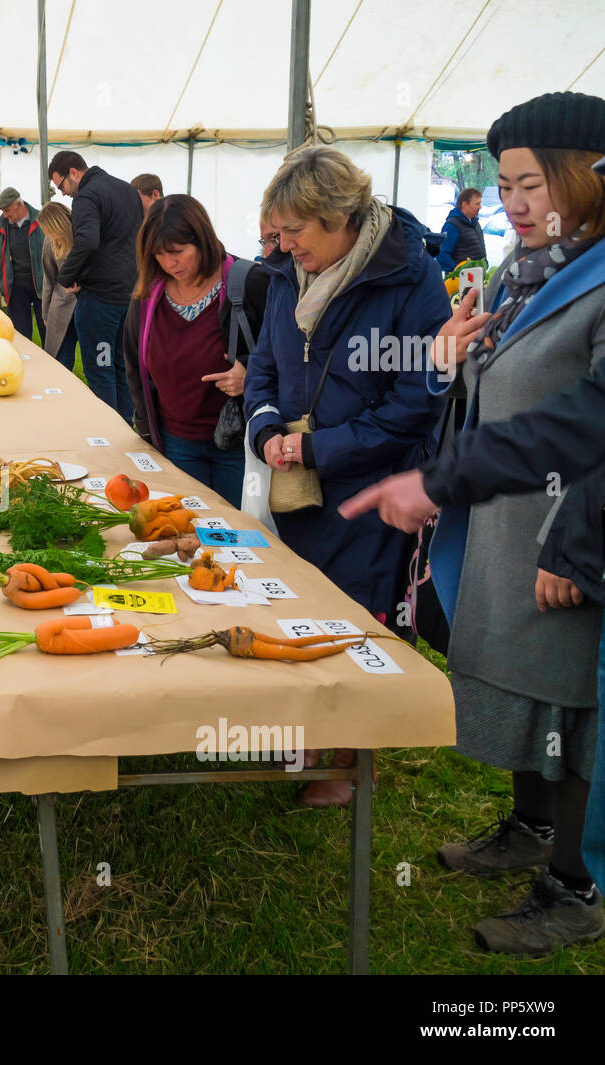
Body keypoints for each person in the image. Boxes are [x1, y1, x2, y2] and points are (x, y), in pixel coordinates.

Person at [342, 96, 605, 954]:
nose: (516, 202)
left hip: (570, 534)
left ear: (585, 181)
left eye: (533, 183)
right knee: (527, 688)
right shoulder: (518, 273)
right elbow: (492, 388)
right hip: (507, 522)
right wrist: (445, 355)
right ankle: (529, 827)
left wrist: (578, 539)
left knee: (568, 700)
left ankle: (576, 881)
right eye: (505, 184)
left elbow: (592, 423)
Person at [243, 144, 451, 807]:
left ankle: (350, 763)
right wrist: (268, 428)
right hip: (298, 484)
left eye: (295, 231)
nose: (283, 244)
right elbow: (263, 369)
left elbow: (415, 404)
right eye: (278, 231)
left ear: (339, 218)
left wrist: (321, 448)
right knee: (302, 608)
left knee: (360, 617)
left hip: (373, 491)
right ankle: (306, 737)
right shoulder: (284, 274)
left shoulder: (410, 281)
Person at [121, 195, 269, 506]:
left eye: (178, 252)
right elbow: (134, 366)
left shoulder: (250, 283)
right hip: (176, 443)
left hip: (237, 446)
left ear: (201, 239)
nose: (169, 263)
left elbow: (284, 356)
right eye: (159, 255)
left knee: (239, 539)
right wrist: (147, 430)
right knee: (188, 534)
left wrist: (250, 374)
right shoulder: (148, 296)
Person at [49, 150, 144, 423]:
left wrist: (66, 277)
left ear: (74, 173)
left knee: (100, 369)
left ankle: (107, 431)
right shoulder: (127, 190)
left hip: (100, 300)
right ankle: (126, 428)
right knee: (121, 368)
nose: (64, 194)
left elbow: (88, 241)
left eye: (61, 186)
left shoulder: (86, 197)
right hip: (128, 296)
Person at [0, 187, 45, 342]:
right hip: (16, 286)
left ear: (19, 204)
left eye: (7, 210)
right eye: (3, 212)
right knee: (20, 335)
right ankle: (22, 363)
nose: (5, 215)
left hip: (42, 285)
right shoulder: (1, 225)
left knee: (48, 331)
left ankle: (51, 364)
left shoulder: (41, 220)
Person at [38, 202, 79, 370]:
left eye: (48, 230)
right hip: (61, 308)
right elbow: (49, 279)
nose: (47, 234)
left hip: (87, 306)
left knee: (98, 362)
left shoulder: (82, 235)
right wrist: (46, 312)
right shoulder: (49, 243)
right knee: (60, 361)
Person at [436, 187, 486, 272]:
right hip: (460, 281)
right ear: (464, 204)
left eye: (480, 204)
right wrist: (459, 273)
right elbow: (442, 255)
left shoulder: (475, 223)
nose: (479, 207)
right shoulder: (451, 226)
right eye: (477, 204)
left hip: (477, 278)